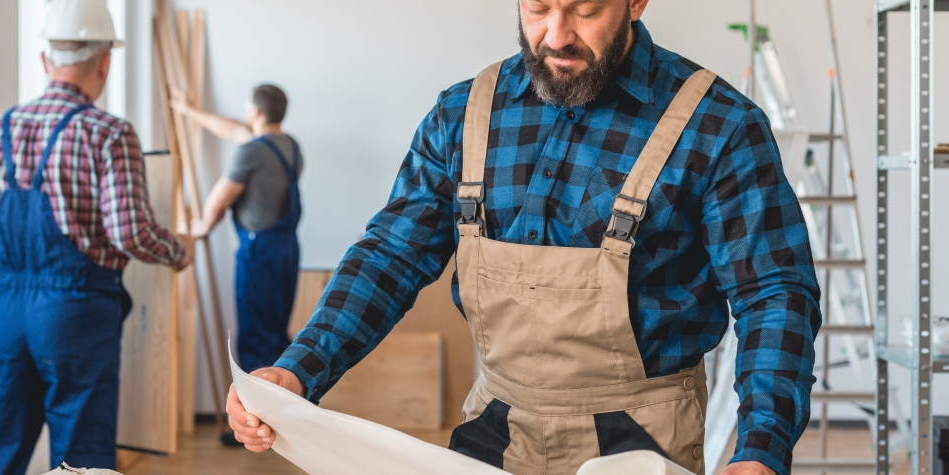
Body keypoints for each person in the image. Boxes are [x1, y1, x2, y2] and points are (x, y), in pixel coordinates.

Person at [227, 1, 822, 474]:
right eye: (537, 7)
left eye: (584, 9)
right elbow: (391, 256)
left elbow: (774, 293)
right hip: (494, 431)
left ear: (636, 2)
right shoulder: (461, 115)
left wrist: (761, 450)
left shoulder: (717, 126)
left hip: (644, 443)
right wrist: (298, 371)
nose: (556, 35)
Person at [0, 0, 191, 472]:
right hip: (75, 311)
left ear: (45, 60)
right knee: (80, 454)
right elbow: (128, 232)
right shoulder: (108, 134)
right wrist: (176, 250)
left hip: (5, 305)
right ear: (105, 62)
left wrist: (20, 278)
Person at [170, 85, 302, 390]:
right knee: (277, 334)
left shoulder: (253, 151)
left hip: (259, 253)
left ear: (256, 112)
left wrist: (203, 225)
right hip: (287, 250)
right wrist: (189, 110)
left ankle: (256, 423)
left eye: (247, 108)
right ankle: (281, 419)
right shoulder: (289, 146)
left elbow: (220, 198)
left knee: (256, 337)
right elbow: (234, 131)